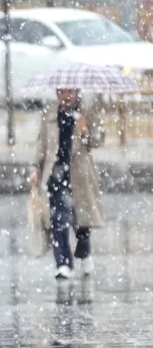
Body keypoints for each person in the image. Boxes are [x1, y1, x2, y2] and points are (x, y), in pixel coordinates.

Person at [30, 87, 105, 280]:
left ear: (77, 93)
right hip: (55, 175)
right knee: (58, 221)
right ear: (57, 93)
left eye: (70, 92)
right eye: (62, 92)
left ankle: (85, 251)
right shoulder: (49, 114)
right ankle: (63, 263)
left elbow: (98, 140)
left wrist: (85, 130)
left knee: (81, 223)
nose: (66, 96)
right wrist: (35, 168)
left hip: (80, 176)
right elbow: (42, 144)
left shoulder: (87, 113)